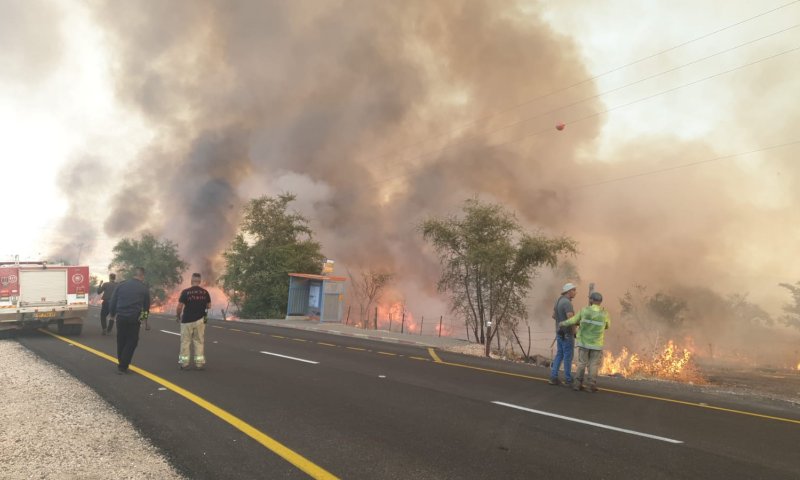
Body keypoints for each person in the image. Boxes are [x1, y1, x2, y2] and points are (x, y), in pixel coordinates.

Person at [559, 291, 611, 392]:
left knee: (582, 363)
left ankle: (577, 384)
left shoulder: (584, 311)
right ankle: (591, 385)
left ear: (591, 300)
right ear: (600, 301)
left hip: (584, 342)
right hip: (596, 344)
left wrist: (562, 323)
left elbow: (573, 320)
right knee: (593, 365)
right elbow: (607, 326)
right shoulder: (605, 313)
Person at [109, 267, 150, 374]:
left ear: (133, 275)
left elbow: (113, 301)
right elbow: (146, 307)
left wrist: (112, 314)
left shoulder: (121, 285)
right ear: (142, 276)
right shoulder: (144, 288)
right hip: (134, 319)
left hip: (121, 317)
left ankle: (121, 362)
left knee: (121, 339)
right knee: (132, 341)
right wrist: (144, 320)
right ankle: (123, 365)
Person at [176, 273, 211, 370]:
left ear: (191, 280)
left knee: (185, 342)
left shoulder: (186, 292)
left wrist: (178, 316)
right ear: (199, 281)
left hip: (187, 320)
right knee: (199, 341)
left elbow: (179, 307)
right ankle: (199, 364)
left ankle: (184, 363)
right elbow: (209, 306)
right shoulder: (205, 292)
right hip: (200, 320)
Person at [549, 283, 577, 386]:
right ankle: (568, 379)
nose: (575, 292)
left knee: (559, 354)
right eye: (574, 290)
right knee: (568, 357)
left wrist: (560, 321)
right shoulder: (567, 303)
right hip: (567, 334)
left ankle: (553, 377)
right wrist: (574, 332)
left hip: (559, 332)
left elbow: (553, 315)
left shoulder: (558, 300)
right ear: (569, 291)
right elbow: (571, 319)